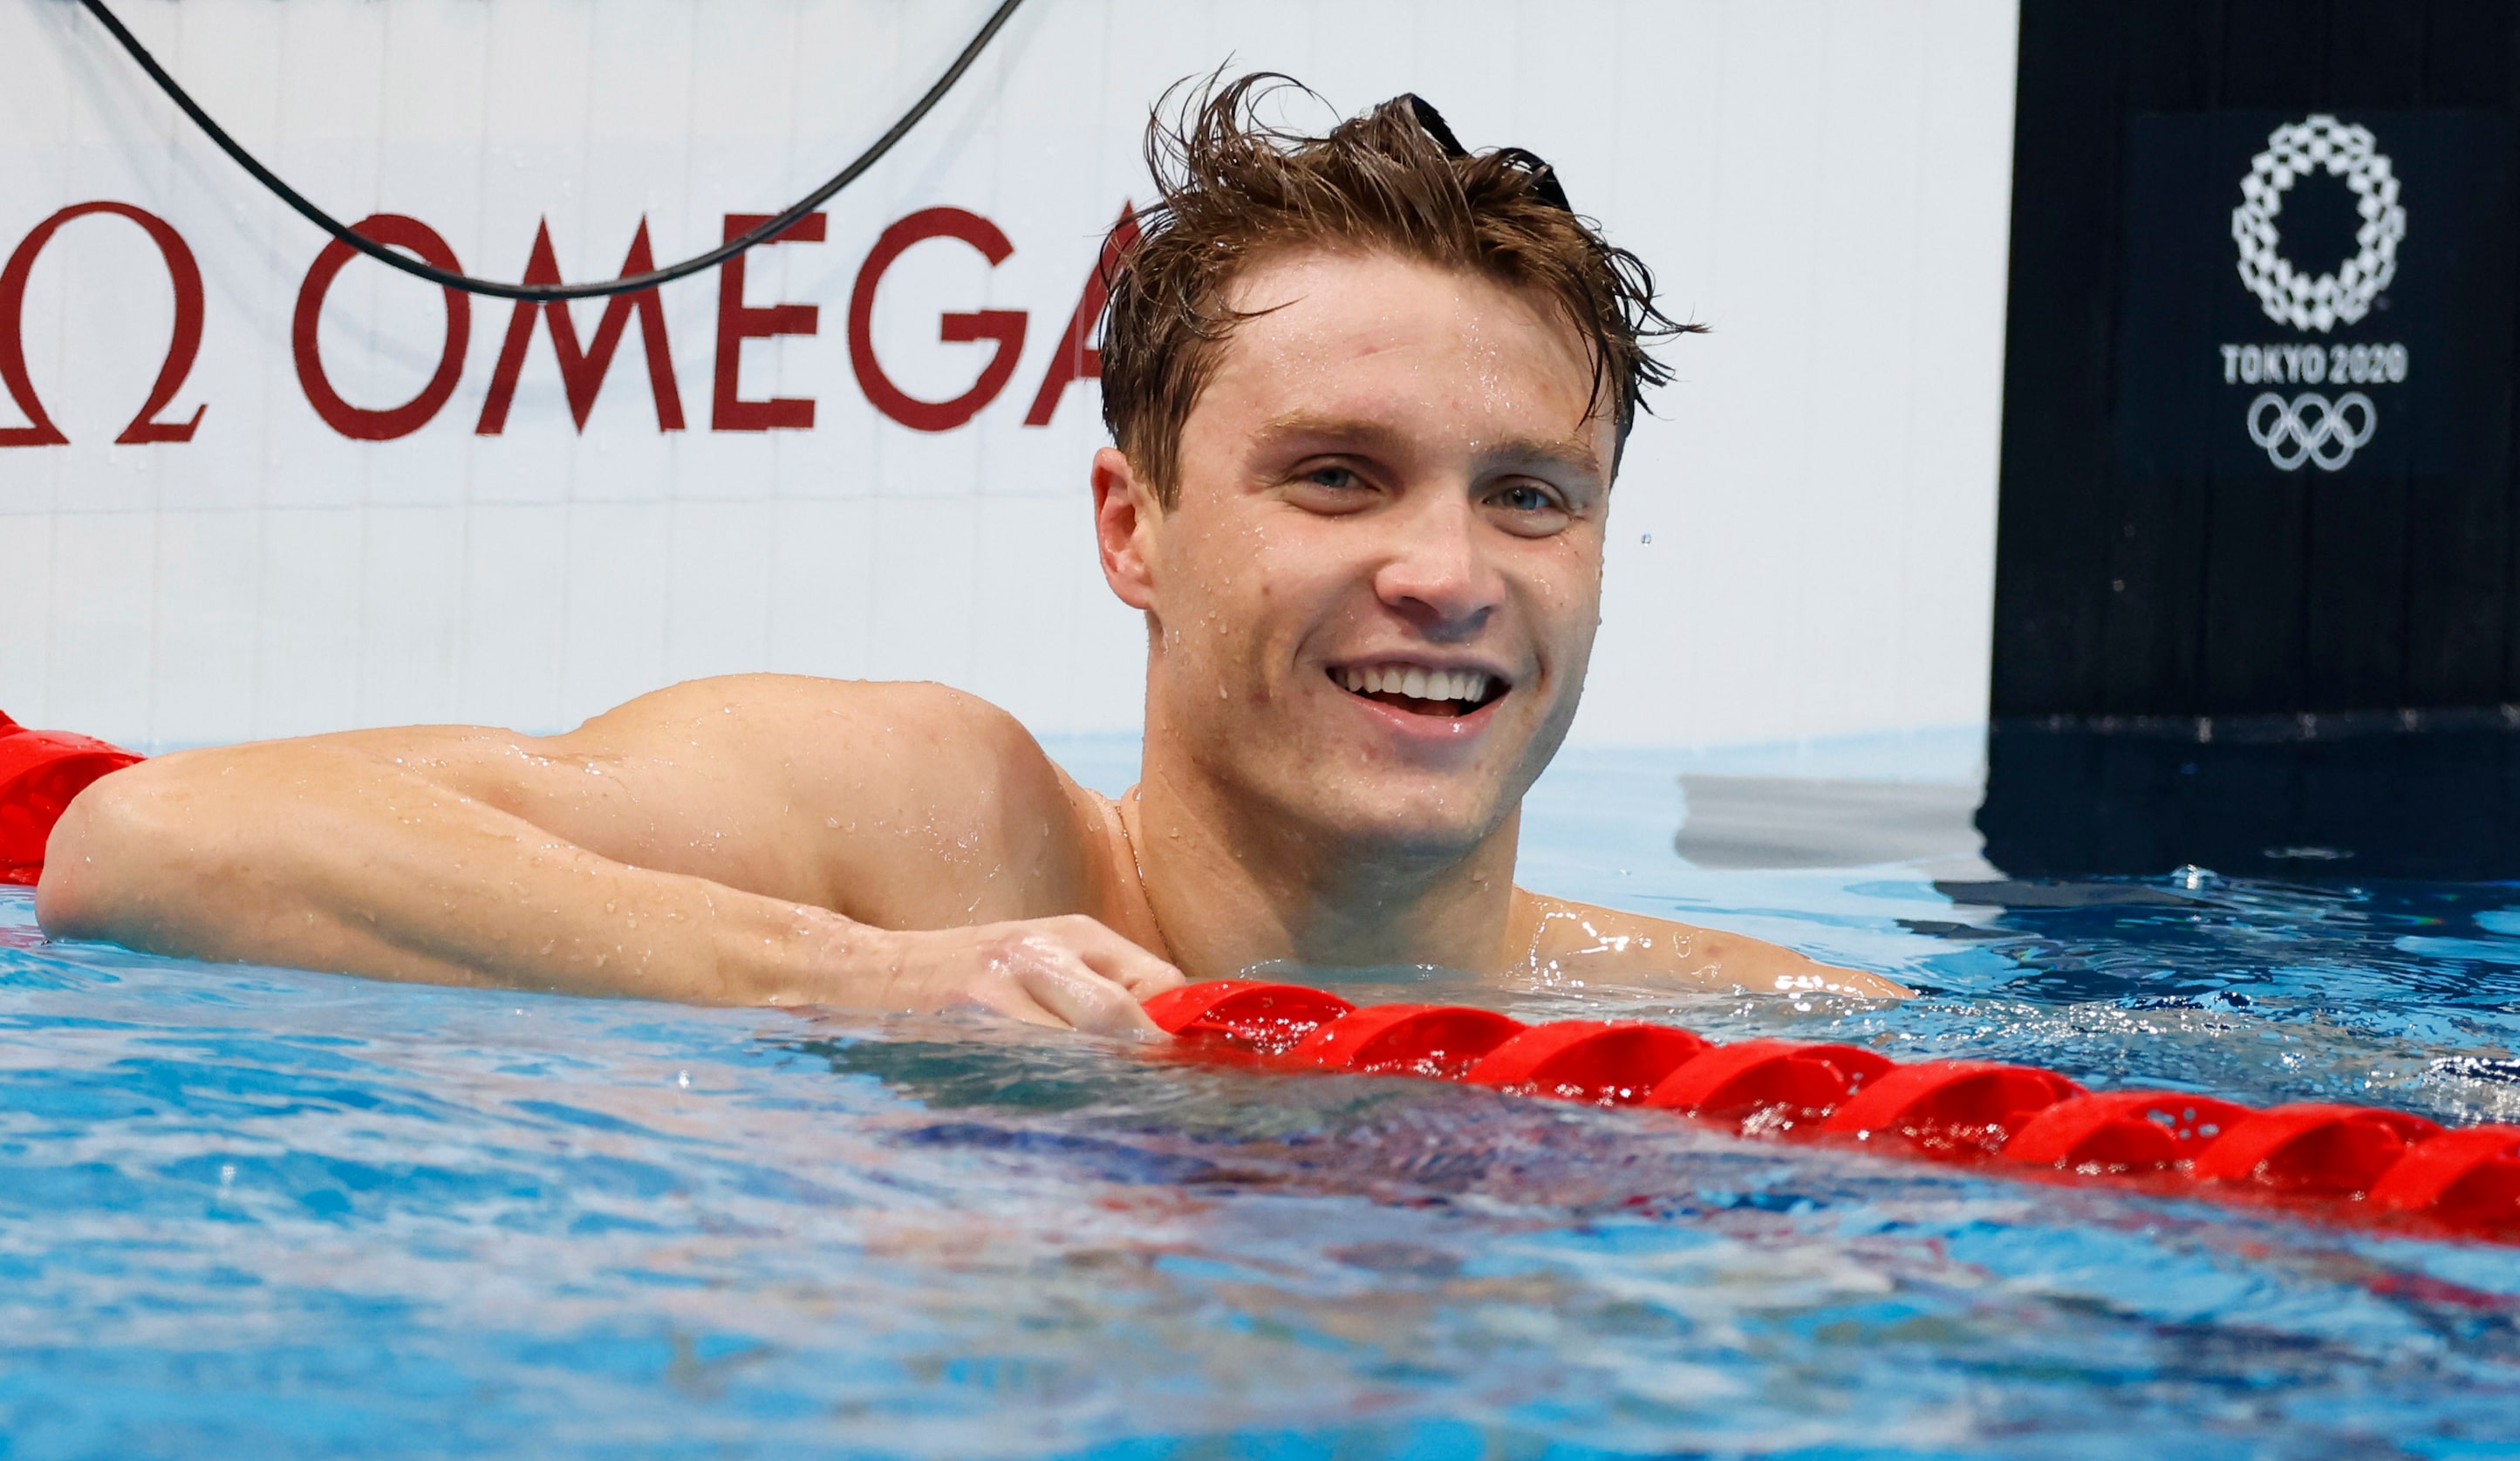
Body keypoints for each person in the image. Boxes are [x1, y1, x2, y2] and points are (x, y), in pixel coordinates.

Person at [36, 77, 1902, 1034]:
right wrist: (848, 984)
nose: (1446, 571)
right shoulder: (931, 841)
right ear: (1132, 527)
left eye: (1526, 495)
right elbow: (156, 842)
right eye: (1336, 477)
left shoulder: (1710, 1027)